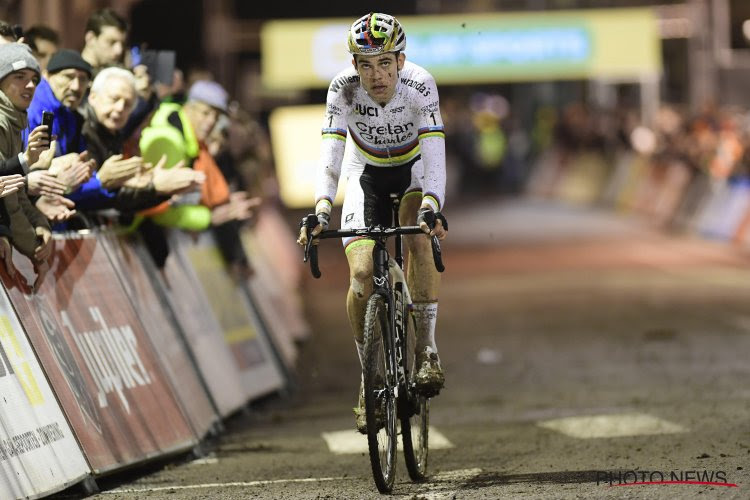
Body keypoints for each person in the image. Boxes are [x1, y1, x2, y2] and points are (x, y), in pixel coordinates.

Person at [297, 13, 448, 433]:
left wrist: (432, 205)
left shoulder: (421, 84)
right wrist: (322, 208)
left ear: (400, 61)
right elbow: (330, 151)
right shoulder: (342, 90)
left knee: (417, 237)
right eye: (365, 64)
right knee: (362, 273)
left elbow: (435, 152)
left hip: (413, 171)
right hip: (365, 175)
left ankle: (427, 351)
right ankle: (369, 378)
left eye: (384, 63)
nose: (376, 75)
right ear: (353, 66)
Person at [0, 43, 56, 290]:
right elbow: (6, 196)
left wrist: (40, 223)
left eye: (34, 79)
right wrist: (34, 249)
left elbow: (17, 191)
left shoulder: (15, 120)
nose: (30, 85)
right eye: (19, 77)